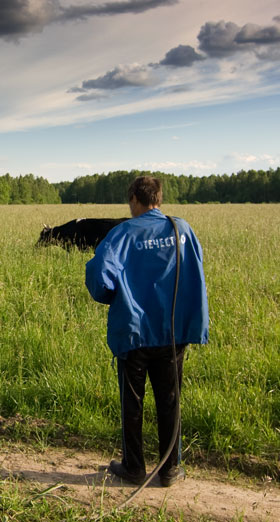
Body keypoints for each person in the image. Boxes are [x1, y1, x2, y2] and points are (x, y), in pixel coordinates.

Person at [85, 175, 209, 487]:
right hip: (172, 332)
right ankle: (169, 470)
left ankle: (134, 468)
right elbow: (196, 265)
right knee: (170, 400)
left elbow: (100, 277)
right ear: (159, 199)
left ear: (134, 200)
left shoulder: (121, 234)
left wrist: (111, 295)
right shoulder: (183, 230)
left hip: (134, 331)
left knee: (133, 401)